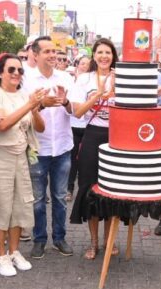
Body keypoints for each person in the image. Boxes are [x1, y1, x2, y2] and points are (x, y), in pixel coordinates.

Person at [0, 54, 44, 276]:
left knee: (20, 204)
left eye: (20, 70)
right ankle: (0, 256)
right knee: (2, 205)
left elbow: (40, 128)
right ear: (0, 72)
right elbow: (3, 125)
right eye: (11, 70)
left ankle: (14, 251)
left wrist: (35, 108)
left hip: (21, 155)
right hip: (0, 156)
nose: (17, 74)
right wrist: (29, 104)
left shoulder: (23, 96)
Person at [22, 36, 75, 259]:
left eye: (54, 51)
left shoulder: (66, 78)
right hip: (38, 148)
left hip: (62, 147)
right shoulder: (26, 80)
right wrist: (40, 105)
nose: (52, 55)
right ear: (35, 54)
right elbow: (23, 112)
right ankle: (39, 239)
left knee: (61, 197)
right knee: (37, 199)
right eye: (47, 52)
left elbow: (75, 111)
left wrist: (65, 102)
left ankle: (60, 238)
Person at [67, 38, 120, 260]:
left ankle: (110, 241)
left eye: (108, 52)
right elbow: (77, 113)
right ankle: (94, 242)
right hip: (92, 135)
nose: (104, 56)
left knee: (112, 191)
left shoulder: (121, 78)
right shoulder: (84, 79)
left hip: (117, 137)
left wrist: (117, 90)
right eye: (100, 52)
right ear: (94, 56)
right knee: (90, 189)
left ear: (113, 55)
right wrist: (98, 95)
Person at [67, 55, 91, 201]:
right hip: (74, 126)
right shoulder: (70, 83)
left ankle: (85, 191)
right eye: (82, 64)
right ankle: (69, 188)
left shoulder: (93, 83)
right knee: (73, 160)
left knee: (86, 161)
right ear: (77, 66)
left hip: (88, 127)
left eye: (88, 64)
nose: (84, 66)